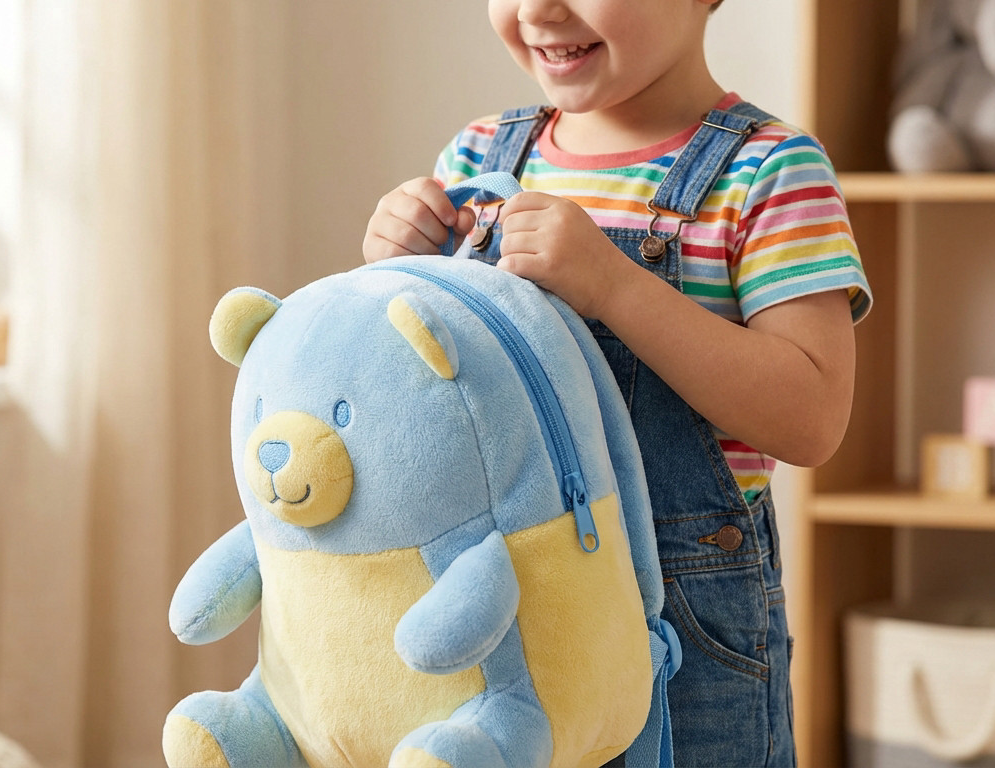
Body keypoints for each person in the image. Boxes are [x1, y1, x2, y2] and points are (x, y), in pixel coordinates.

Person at [362, 0, 873, 765]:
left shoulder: (771, 171)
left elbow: (812, 418)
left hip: (683, 628)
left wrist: (617, 288)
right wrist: (389, 276)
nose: (538, 9)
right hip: (504, 609)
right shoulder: (475, 159)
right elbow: (423, 396)